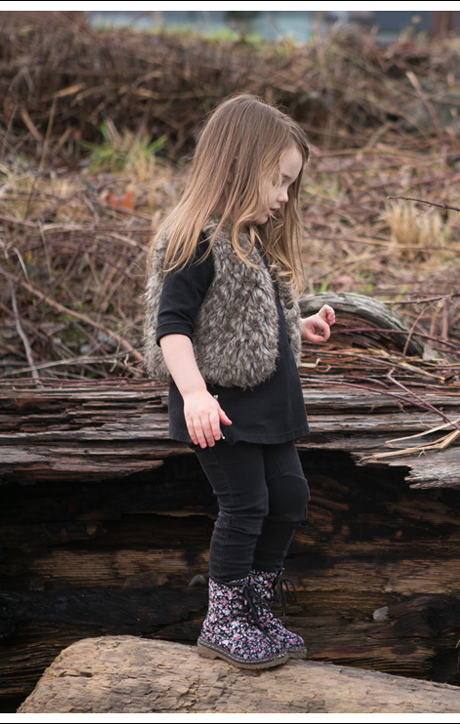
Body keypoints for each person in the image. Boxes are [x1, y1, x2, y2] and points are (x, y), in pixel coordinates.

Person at [142, 94, 335, 670]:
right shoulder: (194, 238)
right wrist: (194, 393)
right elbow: (171, 326)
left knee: (290, 497)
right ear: (237, 165)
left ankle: (255, 607)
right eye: (277, 181)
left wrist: (298, 325)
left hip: (269, 399)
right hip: (220, 403)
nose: (282, 197)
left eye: (288, 185)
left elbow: (243, 317)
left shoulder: (251, 240)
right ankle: (223, 619)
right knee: (246, 504)